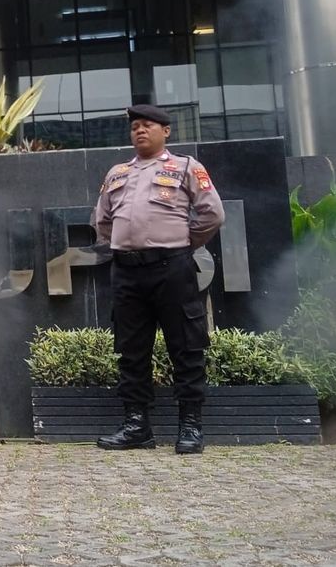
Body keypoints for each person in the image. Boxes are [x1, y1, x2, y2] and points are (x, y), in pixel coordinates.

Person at [92, 104, 225, 454]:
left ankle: (190, 426)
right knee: (131, 350)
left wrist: (181, 243)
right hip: (126, 272)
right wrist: (127, 244)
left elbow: (212, 214)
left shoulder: (185, 167)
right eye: (135, 126)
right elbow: (102, 220)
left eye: (147, 125)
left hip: (172, 269)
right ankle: (137, 427)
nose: (139, 131)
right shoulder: (117, 172)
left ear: (166, 131)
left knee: (186, 347)